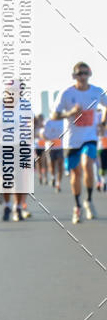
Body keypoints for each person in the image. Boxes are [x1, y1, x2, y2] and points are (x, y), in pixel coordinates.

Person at [51, 63, 107, 224]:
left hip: (89, 137)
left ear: (89, 74)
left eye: (85, 73)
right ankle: (78, 206)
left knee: (87, 164)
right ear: (74, 76)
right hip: (71, 140)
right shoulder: (66, 94)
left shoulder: (96, 91)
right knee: (75, 174)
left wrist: (103, 124)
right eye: (79, 74)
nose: (82, 76)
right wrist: (70, 113)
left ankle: (88, 200)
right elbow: (54, 115)